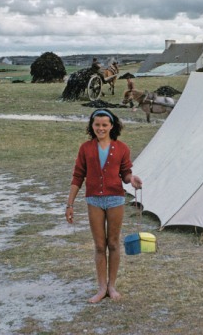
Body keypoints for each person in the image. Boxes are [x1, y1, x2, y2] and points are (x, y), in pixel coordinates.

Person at [66, 109, 142, 303]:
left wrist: (131, 179)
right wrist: (70, 204)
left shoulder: (122, 148)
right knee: (100, 246)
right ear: (92, 126)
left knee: (113, 243)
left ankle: (112, 286)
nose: (100, 128)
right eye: (97, 124)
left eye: (104, 125)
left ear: (111, 126)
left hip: (115, 198)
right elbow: (78, 176)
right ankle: (101, 288)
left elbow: (125, 173)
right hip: (94, 200)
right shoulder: (85, 148)